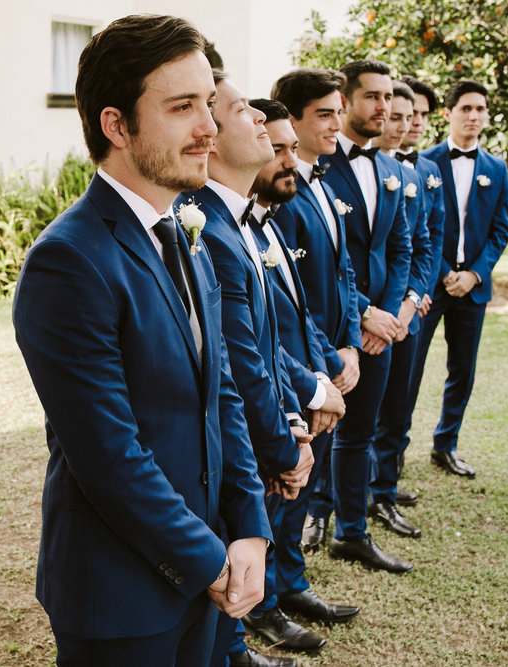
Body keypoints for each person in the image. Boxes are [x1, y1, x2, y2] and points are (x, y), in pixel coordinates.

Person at [12, 15, 272, 665]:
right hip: (122, 595)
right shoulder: (69, 261)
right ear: (116, 125)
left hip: (210, 575)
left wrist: (250, 529)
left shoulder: (188, 234)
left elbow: (223, 398)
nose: (208, 128)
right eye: (182, 107)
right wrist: (212, 559)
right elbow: (108, 454)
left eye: (207, 105)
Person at [179, 65, 321, 666]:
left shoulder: (236, 223)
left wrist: (292, 419)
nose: (261, 117)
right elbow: (236, 365)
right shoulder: (204, 228)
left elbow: (266, 341)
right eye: (244, 110)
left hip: (260, 430)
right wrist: (286, 445)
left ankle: (233, 648)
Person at [248, 95, 361, 624]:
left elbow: (301, 306)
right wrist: (309, 385)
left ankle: (290, 583)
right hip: (278, 385)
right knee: (272, 499)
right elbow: (255, 331)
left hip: (307, 372)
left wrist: (330, 363)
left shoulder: (271, 221)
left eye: (292, 148)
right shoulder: (243, 229)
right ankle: (263, 604)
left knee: (297, 497)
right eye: (277, 150)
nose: (291, 162)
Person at [319, 59, 413, 573]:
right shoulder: (317, 168)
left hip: (381, 332)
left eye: (388, 96)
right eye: (373, 97)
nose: (383, 107)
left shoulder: (394, 170)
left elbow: (399, 249)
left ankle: (350, 532)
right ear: (348, 100)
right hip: (336, 323)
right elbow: (313, 258)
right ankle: (308, 521)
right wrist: (361, 316)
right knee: (319, 427)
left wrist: (389, 318)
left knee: (361, 432)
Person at [269, 68, 361, 555]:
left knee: (308, 477)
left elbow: (344, 270)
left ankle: (291, 579)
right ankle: (274, 592)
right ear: (292, 118)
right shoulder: (279, 194)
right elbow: (283, 298)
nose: (335, 125)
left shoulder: (323, 183)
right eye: (324, 114)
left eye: (338, 113)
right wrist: (312, 370)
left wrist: (348, 344)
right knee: (287, 481)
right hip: (297, 363)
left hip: (330, 357)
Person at [412, 79, 508, 478]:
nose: (474, 116)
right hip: (430, 287)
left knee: (463, 370)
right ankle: (392, 450)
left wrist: (473, 274)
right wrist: (443, 274)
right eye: (466, 108)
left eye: (480, 109)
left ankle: (445, 445)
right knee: (409, 371)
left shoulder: (497, 168)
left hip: (472, 289)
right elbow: (418, 227)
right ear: (448, 113)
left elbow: (500, 230)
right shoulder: (424, 162)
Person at [367, 81, 436, 539]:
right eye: (394, 114)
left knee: (397, 410)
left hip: (401, 315)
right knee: (351, 421)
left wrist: (408, 304)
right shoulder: (336, 169)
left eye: (408, 117)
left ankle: (384, 494)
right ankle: (326, 507)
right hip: (358, 313)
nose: (402, 124)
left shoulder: (413, 175)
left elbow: (421, 245)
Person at [385, 75, 447, 503]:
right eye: (405, 116)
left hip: (415, 304)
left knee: (401, 398)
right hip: (380, 303)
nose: (413, 124)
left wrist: (418, 293)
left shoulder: (427, 171)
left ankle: (383, 483)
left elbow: (429, 237)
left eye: (421, 116)